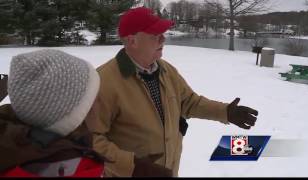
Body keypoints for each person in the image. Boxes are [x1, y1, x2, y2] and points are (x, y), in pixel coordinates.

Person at [86, 7, 258, 177]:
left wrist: (225, 112)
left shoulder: (166, 70)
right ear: (132, 41)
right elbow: (91, 140)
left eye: (163, 33)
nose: (163, 39)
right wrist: (132, 167)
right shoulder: (104, 82)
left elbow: (190, 102)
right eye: (155, 35)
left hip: (169, 171)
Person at [0, 49, 108, 177]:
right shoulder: (75, 169)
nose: (100, 103)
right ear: (72, 112)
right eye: (94, 98)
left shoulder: (10, 147)